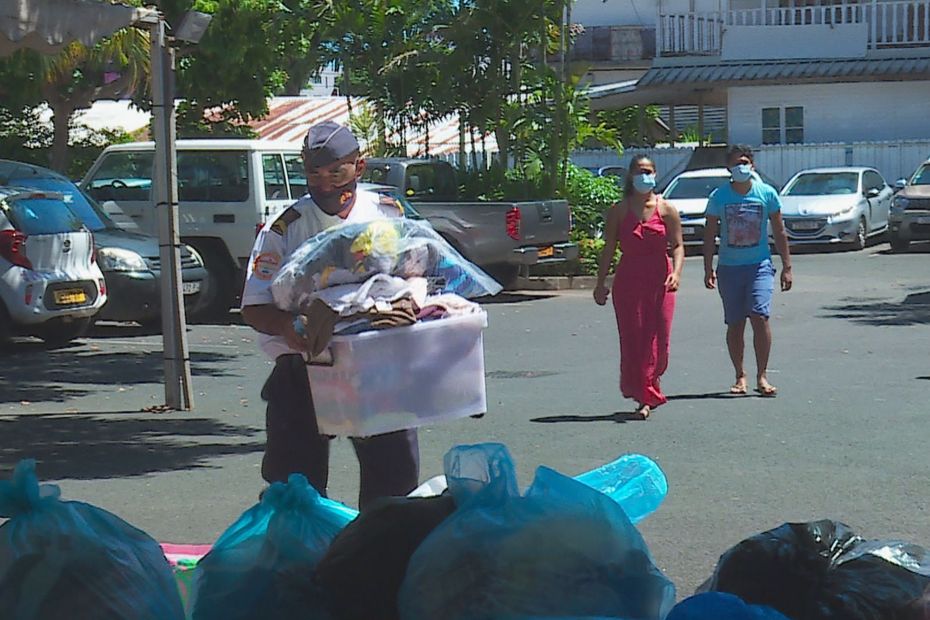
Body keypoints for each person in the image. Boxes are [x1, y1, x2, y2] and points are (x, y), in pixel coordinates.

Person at [240, 120, 419, 510]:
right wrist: (288, 326)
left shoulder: (389, 214)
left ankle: (378, 565)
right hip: (303, 369)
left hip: (377, 370)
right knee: (292, 490)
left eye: (336, 172)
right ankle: (296, 563)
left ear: (360, 167)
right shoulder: (285, 227)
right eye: (313, 174)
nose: (324, 185)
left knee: (393, 489)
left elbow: (423, 276)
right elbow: (254, 306)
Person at [593, 155, 684, 419]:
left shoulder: (667, 209)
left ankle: (651, 386)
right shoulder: (619, 210)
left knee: (658, 337)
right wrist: (601, 283)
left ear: (655, 174)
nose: (644, 176)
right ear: (631, 176)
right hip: (629, 280)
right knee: (634, 338)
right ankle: (645, 396)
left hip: (660, 279)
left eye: (649, 171)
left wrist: (676, 273)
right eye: (639, 171)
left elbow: (677, 246)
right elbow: (609, 248)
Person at [703, 144, 793, 397]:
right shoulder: (719, 197)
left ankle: (762, 375)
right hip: (729, 268)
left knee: (760, 316)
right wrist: (707, 267)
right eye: (736, 163)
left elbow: (779, 230)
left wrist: (787, 266)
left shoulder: (766, 193)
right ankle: (739, 375)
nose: (741, 166)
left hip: (759, 266)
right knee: (735, 323)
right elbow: (709, 234)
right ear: (728, 168)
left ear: (752, 165)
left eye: (745, 161)